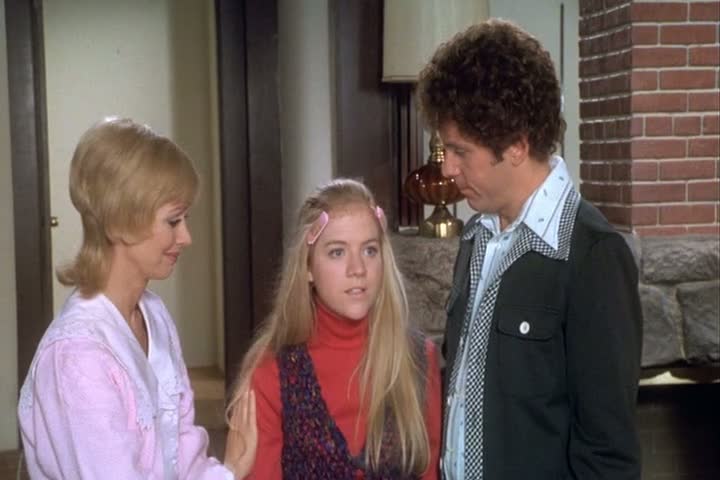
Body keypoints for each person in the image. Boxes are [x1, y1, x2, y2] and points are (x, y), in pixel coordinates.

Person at [416, 19, 643, 480]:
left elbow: (608, 455)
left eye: (461, 152)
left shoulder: (593, 257)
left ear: (517, 145)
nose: (449, 169)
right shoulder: (476, 237)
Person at [17, 117, 257, 479]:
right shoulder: (77, 357)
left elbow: (182, 451)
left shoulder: (153, 314)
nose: (186, 237)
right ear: (120, 220)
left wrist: (228, 472)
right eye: (173, 221)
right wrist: (233, 470)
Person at [229, 178, 442, 479]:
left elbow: (429, 470)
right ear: (308, 267)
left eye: (370, 250)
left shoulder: (419, 358)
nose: (358, 269)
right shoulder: (271, 370)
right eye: (337, 252)